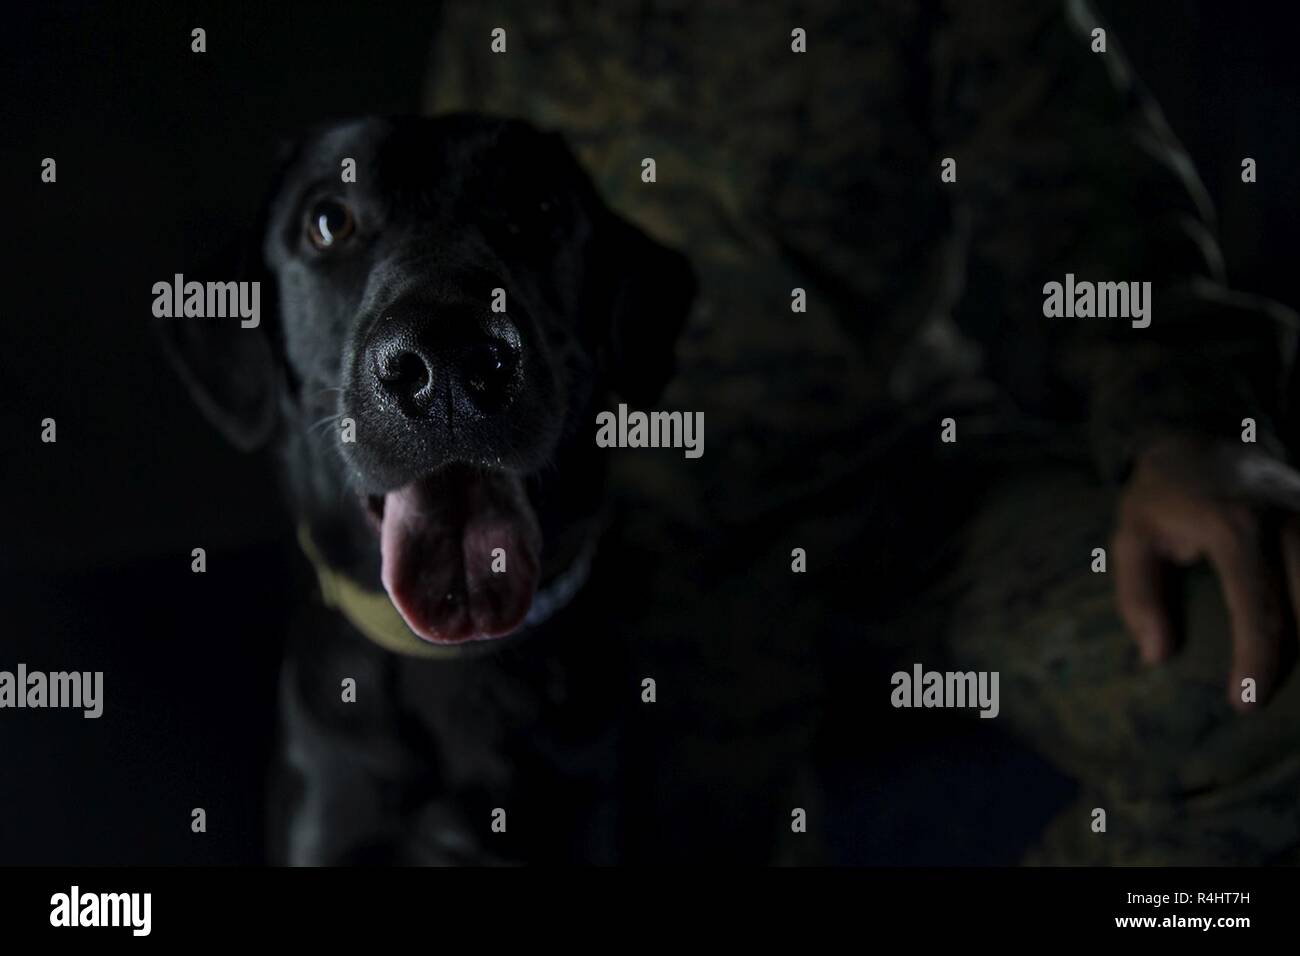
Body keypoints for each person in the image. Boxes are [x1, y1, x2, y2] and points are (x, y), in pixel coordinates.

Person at [424, 0, 1300, 863]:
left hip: (910, 469)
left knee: (1262, 662)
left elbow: (1092, 208)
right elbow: (445, 241)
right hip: (635, 526)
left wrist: (1183, 430)